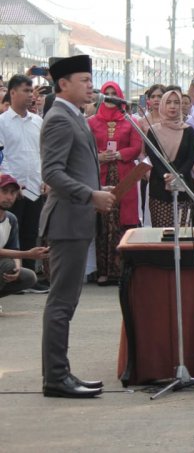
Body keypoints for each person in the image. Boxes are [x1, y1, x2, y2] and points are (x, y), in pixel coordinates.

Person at [40, 54, 114, 398]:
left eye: (90, 79)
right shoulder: (58, 118)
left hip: (77, 218)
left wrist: (99, 192)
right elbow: (52, 173)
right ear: (63, 84)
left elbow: (77, 167)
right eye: (83, 80)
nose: (90, 85)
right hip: (67, 220)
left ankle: (61, 373)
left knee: (66, 302)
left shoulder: (77, 117)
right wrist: (90, 195)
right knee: (61, 303)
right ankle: (56, 378)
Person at [88, 82, 143, 286]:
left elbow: (136, 147)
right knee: (103, 225)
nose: (110, 98)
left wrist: (120, 154)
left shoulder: (130, 121)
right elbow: (86, 149)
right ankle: (103, 271)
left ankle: (122, 271)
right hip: (100, 176)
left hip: (124, 175)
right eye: (106, 94)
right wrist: (99, 156)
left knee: (124, 223)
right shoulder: (92, 122)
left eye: (114, 94)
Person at [0, 74, 47, 292]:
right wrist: (11, 183)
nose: (31, 95)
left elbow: (43, 153)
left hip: (36, 186)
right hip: (11, 189)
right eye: (26, 91)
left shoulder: (38, 121)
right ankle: (11, 275)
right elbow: (2, 156)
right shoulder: (2, 122)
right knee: (12, 233)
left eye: (32, 91)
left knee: (31, 231)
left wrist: (46, 178)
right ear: (12, 93)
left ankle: (28, 276)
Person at [145, 89, 194, 227]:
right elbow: (153, 158)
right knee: (162, 236)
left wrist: (178, 175)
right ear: (162, 105)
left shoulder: (188, 130)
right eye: (168, 102)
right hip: (159, 188)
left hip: (184, 186)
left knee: (183, 234)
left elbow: (190, 158)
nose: (172, 106)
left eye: (176, 102)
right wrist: (166, 175)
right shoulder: (153, 131)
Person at [0, 174, 47, 305]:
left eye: (13, 193)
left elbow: (14, 248)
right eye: (4, 191)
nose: (9, 197)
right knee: (7, 265)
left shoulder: (11, 219)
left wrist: (17, 268)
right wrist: (27, 254)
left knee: (28, 277)